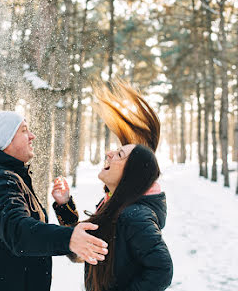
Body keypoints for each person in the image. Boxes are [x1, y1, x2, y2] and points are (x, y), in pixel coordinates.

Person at [0, 111, 108, 291]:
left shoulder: (10, 178)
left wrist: (64, 207)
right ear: (4, 140)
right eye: (24, 130)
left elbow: (29, 231)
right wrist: (69, 238)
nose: (32, 136)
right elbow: (19, 231)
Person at [51, 81, 173, 291]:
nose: (109, 154)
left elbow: (162, 270)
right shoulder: (113, 206)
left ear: (130, 173)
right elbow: (81, 251)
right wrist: (64, 205)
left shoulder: (134, 216)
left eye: (119, 155)